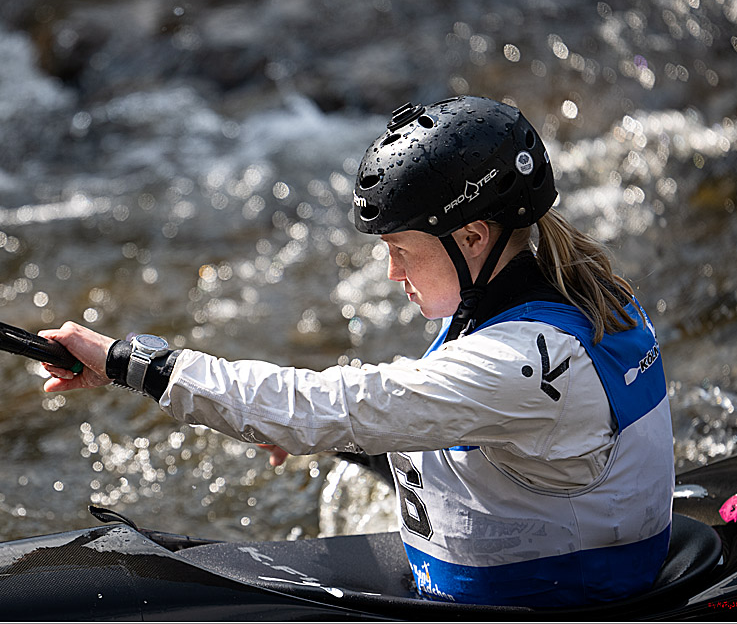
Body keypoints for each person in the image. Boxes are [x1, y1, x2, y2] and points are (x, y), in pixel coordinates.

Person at [40, 95, 674, 607]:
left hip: (552, 605)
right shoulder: (562, 297)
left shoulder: (527, 361)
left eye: (401, 250)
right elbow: (471, 424)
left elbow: (343, 402)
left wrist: (126, 362)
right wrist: (312, 433)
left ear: (473, 236)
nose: (393, 273)